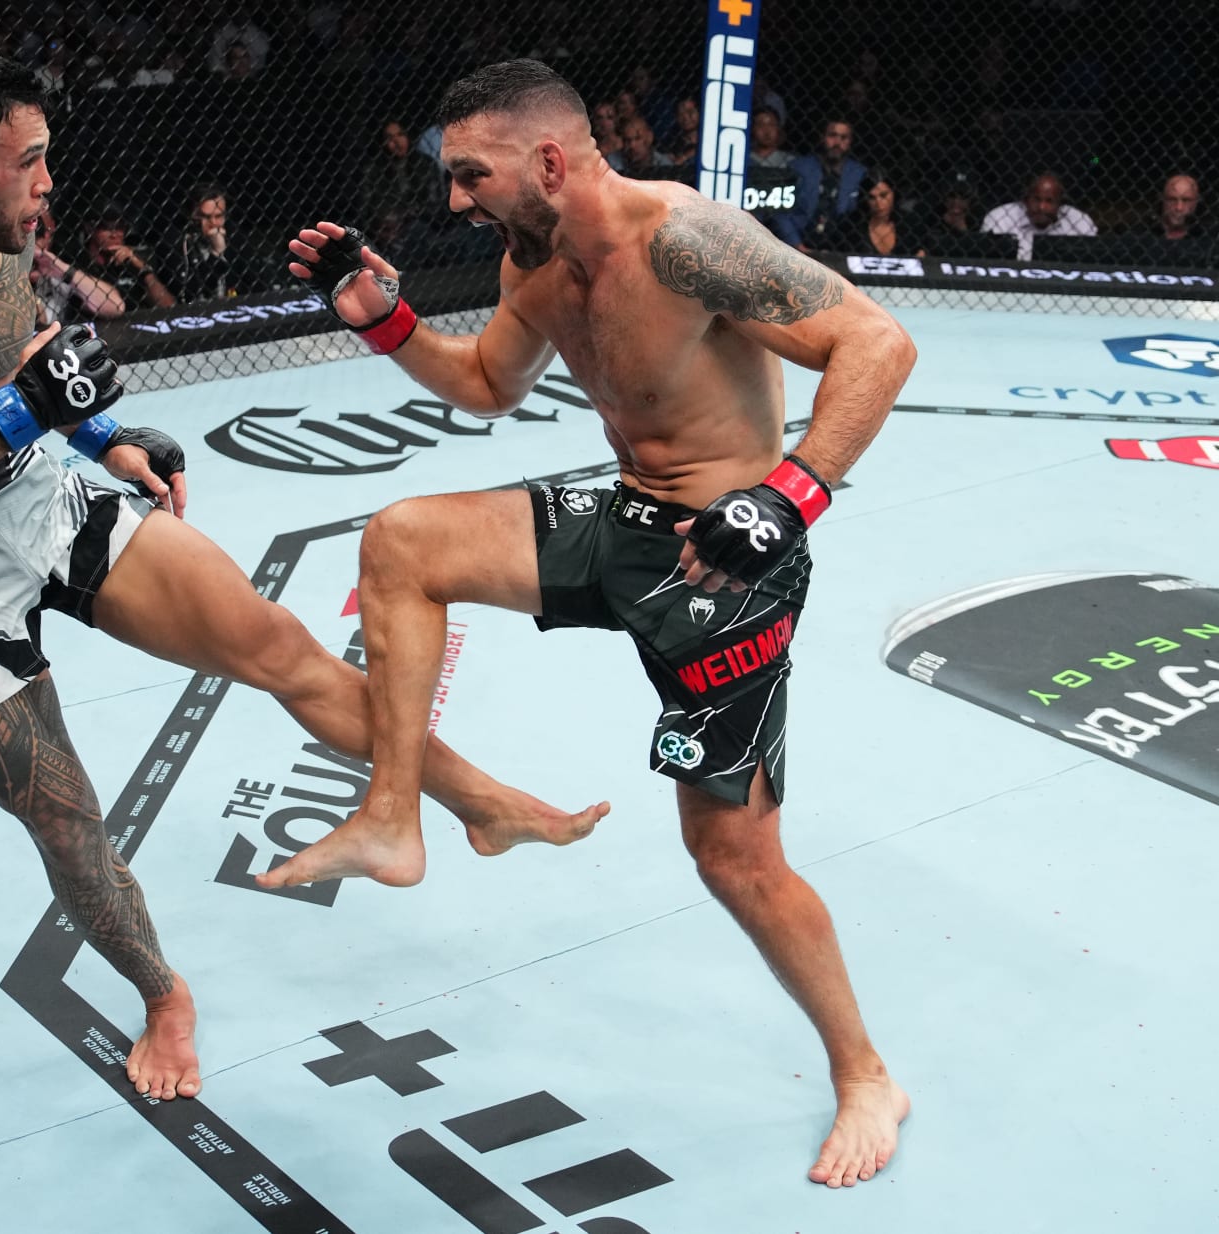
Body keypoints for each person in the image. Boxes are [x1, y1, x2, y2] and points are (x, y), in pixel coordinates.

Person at [0, 52, 603, 1106]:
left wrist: (108, 438)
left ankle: (479, 803)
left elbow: (19, 355)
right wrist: (25, 412)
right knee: (63, 812)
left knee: (281, 649)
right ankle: (163, 990)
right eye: (27, 163)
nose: (47, 182)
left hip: (35, 493)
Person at [264, 58, 914, 1189]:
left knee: (733, 856)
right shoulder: (535, 258)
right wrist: (383, 320)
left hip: (730, 559)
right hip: (625, 519)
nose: (458, 198)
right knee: (403, 539)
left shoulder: (685, 239)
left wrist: (792, 493)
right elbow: (483, 384)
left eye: (472, 174)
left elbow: (879, 344)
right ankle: (393, 819)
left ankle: (865, 1072)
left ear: (550, 161)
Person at [783, 118, 867, 249]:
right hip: (799, 240)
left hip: (843, 244)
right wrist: (796, 244)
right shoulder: (798, 168)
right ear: (822, 137)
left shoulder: (859, 173)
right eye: (832, 135)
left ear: (850, 142)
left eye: (844, 137)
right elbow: (780, 211)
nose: (837, 143)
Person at [979, 171, 1095, 260]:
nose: (1041, 207)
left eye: (1049, 201)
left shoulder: (1079, 221)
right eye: (1036, 199)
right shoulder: (1000, 217)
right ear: (1025, 199)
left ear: (1060, 203)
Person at [823, 169, 925, 257]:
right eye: (872, 197)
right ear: (865, 199)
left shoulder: (910, 222)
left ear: (894, 193)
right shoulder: (850, 225)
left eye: (884, 195)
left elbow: (926, 248)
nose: (879, 203)